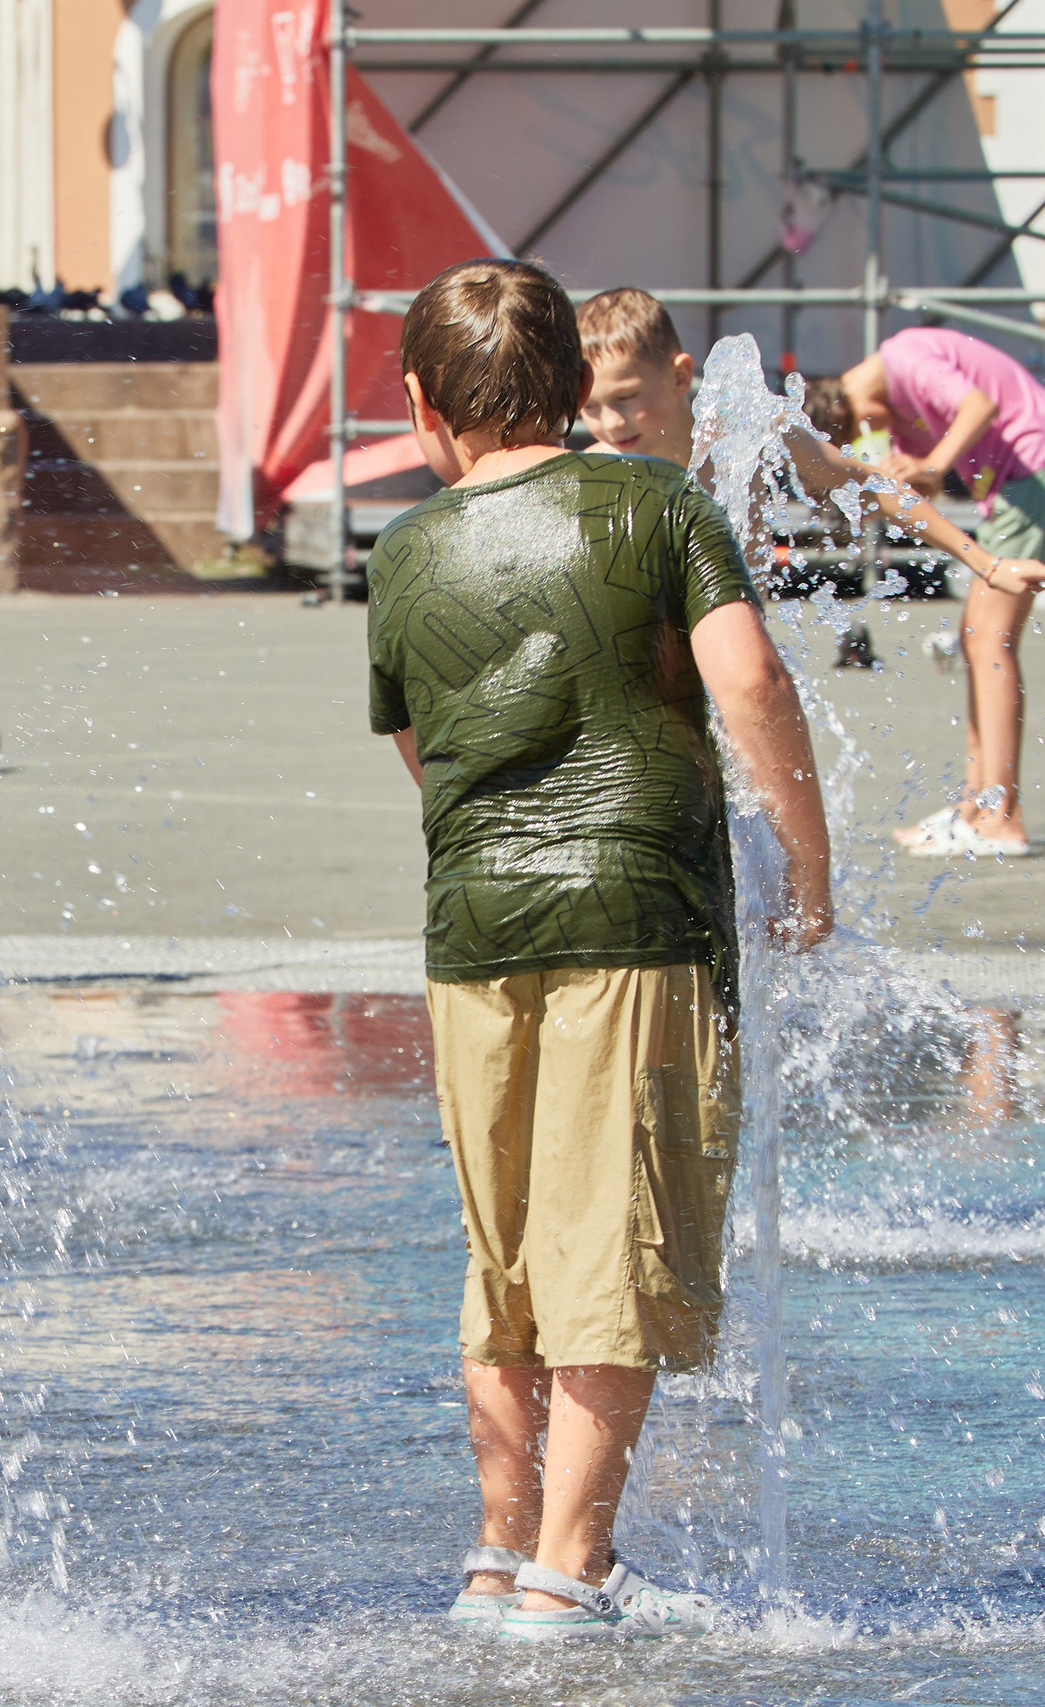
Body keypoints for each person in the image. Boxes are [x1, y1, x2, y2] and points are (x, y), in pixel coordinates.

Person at [370, 260, 832, 1639]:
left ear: (418, 407)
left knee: (506, 1253)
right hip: (634, 914)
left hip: (473, 931)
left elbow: (427, 754)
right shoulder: (658, 504)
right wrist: (807, 862)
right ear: (579, 390)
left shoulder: (400, 555)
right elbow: (747, 676)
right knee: (613, 1248)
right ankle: (573, 1567)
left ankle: (500, 1555)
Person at [800, 327, 1045, 856]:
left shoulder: (904, 358)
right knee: (977, 637)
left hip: (1036, 467)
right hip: (1021, 477)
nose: (873, 434)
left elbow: (981, 405)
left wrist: (930, 467)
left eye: (863, 427)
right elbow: (917, 492)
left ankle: (1000, 815)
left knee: (988, 642)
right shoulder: (892, 403)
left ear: (850, 400)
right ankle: (976, 805)